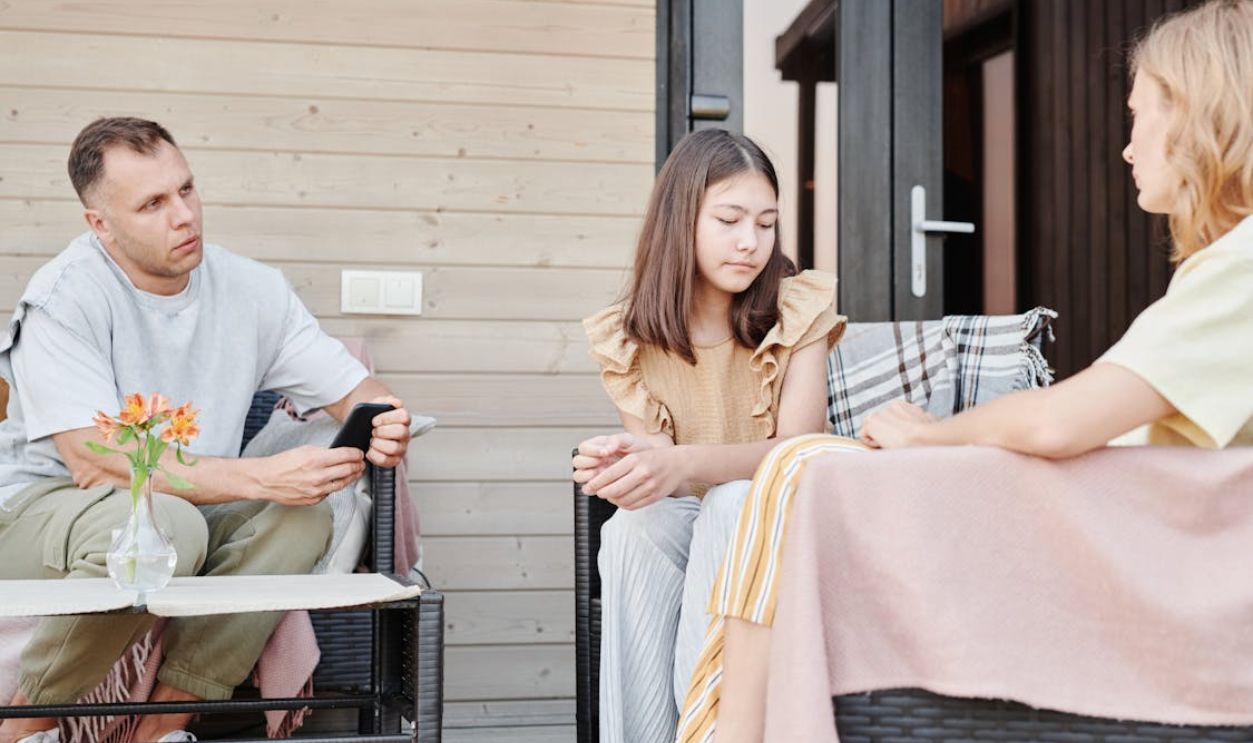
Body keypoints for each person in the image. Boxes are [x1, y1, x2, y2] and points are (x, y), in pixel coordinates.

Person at [677, 1, 1253, 740]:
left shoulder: (1242, 270)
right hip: (1135, 542)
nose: (1127, 148)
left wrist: (932, 436)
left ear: (1199, 119)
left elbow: (1055, 419)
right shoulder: (1223, 270)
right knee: (803, 467)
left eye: (1138, 117)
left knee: (804, 470)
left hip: (1152, 567)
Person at [0, 117, 414, 743]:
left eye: (186, 190)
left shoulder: (252, 289)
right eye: (153, 204)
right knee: (168, 520)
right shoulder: (64, 296)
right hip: (46, 509)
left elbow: (353, 390)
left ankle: (162, 726)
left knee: (304, 517)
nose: (184, 216)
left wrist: (385, 418)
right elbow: (94, 459)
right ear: (99, 224)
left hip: (182, 501)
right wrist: (259, 476)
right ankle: (26, 724)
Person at [572, 128, 846, 743]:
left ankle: (712, 732)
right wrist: (622, 465)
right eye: (729, 220)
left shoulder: (798, 309)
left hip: (787, 529)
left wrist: (680, 462)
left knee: (732, 501)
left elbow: (793, 452)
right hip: (692, 530)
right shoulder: (627, 338)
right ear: (680, 221)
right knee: (631, 528)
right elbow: (661, 479)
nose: (751, 242)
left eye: (767, 223)